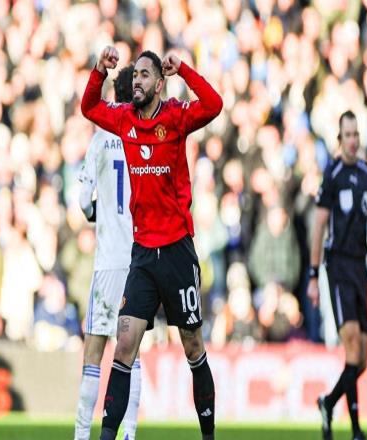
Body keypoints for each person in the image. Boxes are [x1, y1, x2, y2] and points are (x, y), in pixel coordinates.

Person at [81, 46, 223, 440]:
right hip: (142, 255)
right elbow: (89, 107)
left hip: (177, 250)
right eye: (136, 75)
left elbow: (214, 104)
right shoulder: (124, 119)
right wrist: (99, 70)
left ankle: (208, 435)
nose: (137, 81)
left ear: (160, 84)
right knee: (124, 343)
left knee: (193, 345)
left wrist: (186, 70)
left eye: (146, 75)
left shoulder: (176, 117)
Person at [307, 111, 367, 440]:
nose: (353, 140)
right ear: (340, 139)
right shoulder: (333, 175)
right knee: (353, 345)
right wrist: (313, 276)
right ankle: (355, 429)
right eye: (348, 135)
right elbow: (318, 227)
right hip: (338, 266)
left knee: (363, 358)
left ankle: (328, 403)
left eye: (356, 134)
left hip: (361, 266)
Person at [74, 64, 141, 440]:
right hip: (139, 262)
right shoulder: (143, 138)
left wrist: (96, 214)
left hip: (107, 263)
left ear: (114, 96)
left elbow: (84, 198)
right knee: (132, 355)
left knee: (93, 356)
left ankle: (81, 435)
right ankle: (129, 432)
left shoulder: (101, 138)